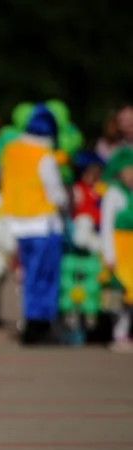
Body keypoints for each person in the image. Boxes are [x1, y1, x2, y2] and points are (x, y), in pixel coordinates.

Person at [0, 105, 68, 345]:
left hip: (16, 225)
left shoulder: (11, 151)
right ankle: (40, 327)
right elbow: (55, 193)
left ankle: (30, 323)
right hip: (43, 224)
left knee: (27, 278)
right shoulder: (44, 155)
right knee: (44, 278)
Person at [99, 147, 133, 353]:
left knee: (130, 295)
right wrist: (109, 254)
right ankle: (116, 332)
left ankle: (125, 330)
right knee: (115, 294)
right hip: (118, 251)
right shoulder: (113, 193)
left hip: (131, 252)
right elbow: (106, 226)